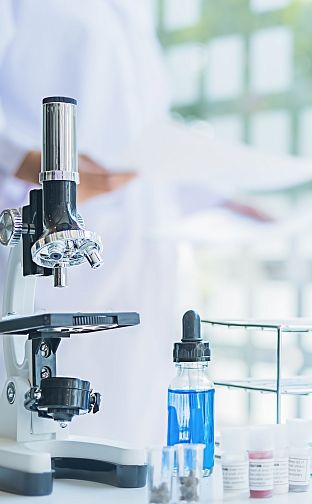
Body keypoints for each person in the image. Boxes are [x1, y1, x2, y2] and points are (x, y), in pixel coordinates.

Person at [0, 0, 180, 447]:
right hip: (40, 235)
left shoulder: (137, 12)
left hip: (140, 248)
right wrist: (18, 156)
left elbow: (141, 141)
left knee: (135, 426)